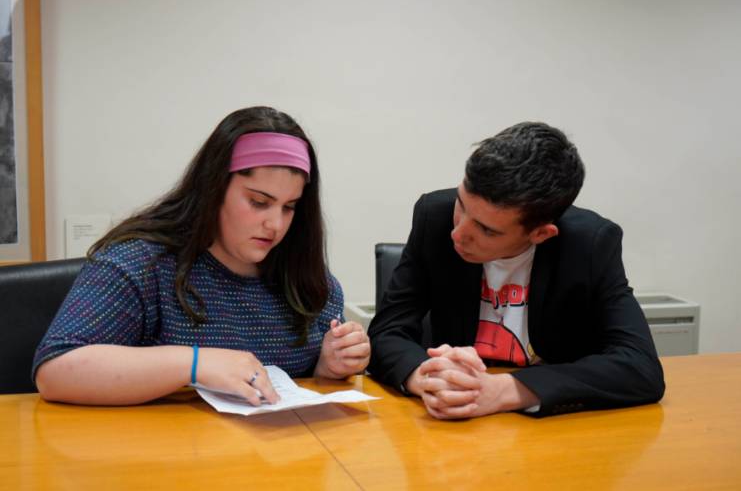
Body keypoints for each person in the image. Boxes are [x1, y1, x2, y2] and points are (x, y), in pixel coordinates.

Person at [33, 106, 370, 406]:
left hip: (277, 454)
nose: (275, 224)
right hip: (166, 451)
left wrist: (328, 366)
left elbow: (304, 389)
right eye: (258, 202)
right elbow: (55, 372)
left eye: (289, 207)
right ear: (214, 188)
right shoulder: (141, 263)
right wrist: (194, 364)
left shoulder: (307, 279)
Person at [368, 121, 665, 419]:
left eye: (486, 229)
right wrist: (428, 377)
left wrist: (504, 391)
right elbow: (386, 332)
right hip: (447, 422)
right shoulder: (434, 216)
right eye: (462, 205)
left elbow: (640, 367)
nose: (458, 233)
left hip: (547, 430)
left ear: (541, 234)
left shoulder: (590, 244)